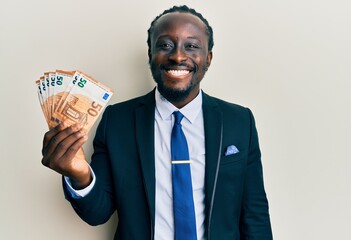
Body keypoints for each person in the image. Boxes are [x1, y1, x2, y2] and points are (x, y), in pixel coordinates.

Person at [41, 5, 273, 240]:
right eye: (165, 45)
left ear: (208, 58)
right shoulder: (117, 121)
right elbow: (97, 213)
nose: (178, 56)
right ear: (151, 54)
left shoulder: (239, 121)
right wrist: (79, 174)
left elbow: (255, 215)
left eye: (191, 46)